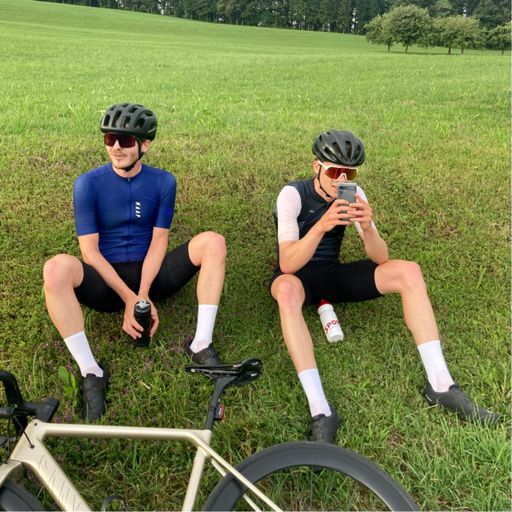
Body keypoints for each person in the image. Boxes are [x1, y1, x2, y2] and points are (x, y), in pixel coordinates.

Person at [270, 129, 500, 444]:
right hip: (297, 278)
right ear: (316, 167)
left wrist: (367, 227)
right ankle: (320, 409)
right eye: (334, 172)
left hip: (332, 276)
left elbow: (380, 258)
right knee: (286, 290)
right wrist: (322, 225)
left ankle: (441, 384)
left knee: (409, 272)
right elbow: (288, 263)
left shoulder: (353, 194)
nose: (342, 179)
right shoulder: (293, 195)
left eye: (350, 173)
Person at [43, 103, 226, 421]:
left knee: (214, 242)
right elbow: (90, 252)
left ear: (145, 145)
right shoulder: (87, 184)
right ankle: (90, 371)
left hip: (151, 275)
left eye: (126, 141)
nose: (116, 147)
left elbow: (159, 240)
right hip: (105, 281)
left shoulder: (164, 182)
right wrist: (129, 299)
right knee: (55, 268)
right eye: (110, 138)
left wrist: (142, 293)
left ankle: (201, 344)